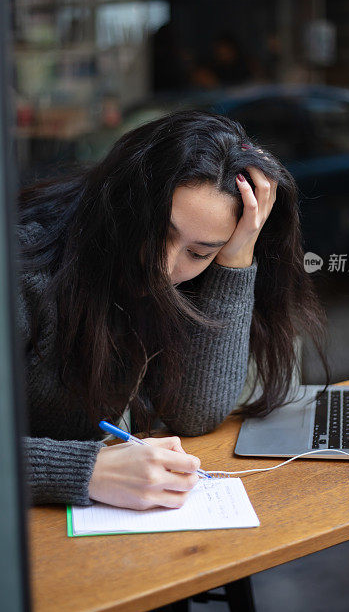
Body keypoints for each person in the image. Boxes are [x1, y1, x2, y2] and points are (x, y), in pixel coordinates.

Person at [17, 111, 329, 510]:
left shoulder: (195, 278)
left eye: (199, 252)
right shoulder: (22, 271)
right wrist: (86, 470)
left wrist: (234, 259)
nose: (165, 269)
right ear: (123, 201)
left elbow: (196, 414)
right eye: (158, 233)